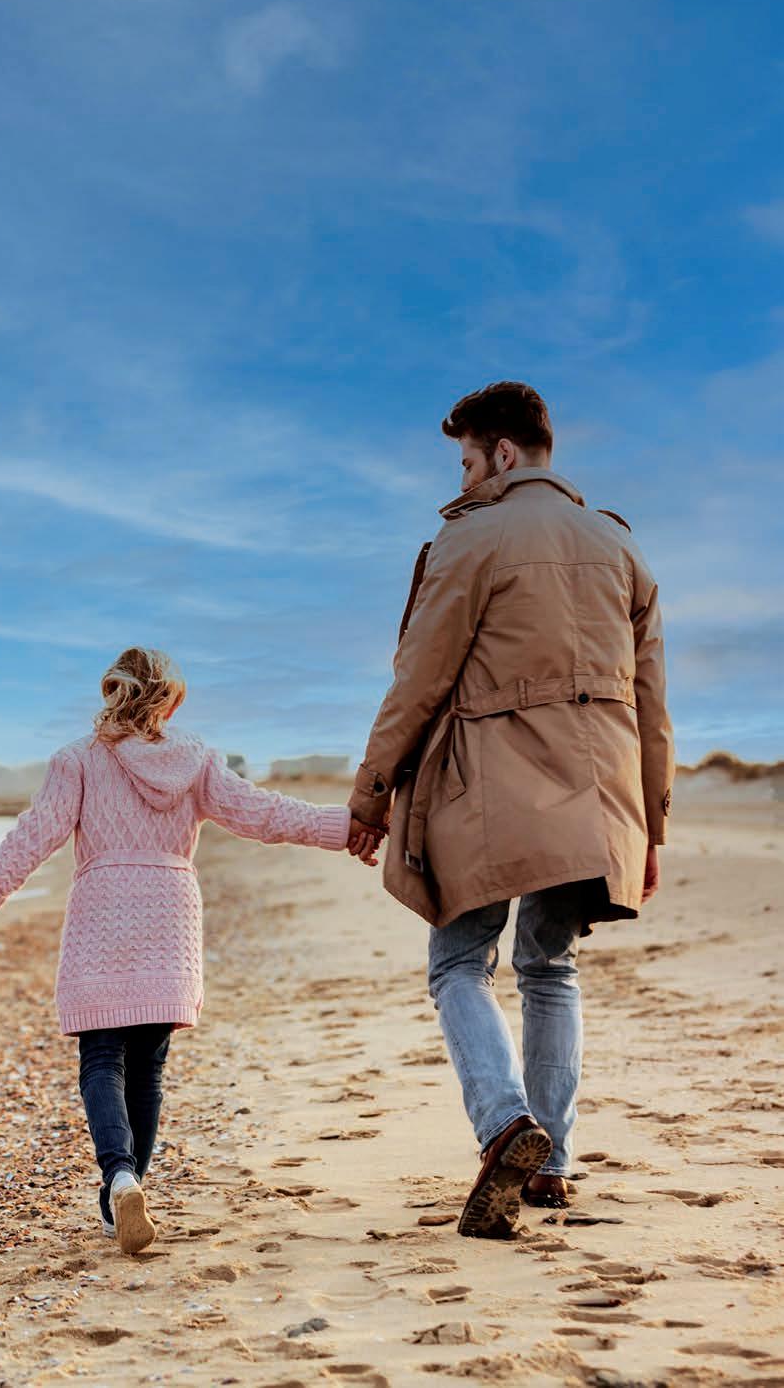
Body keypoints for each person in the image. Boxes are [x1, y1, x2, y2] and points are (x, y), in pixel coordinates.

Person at [348, 382, 673, 1239]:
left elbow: (419, 678)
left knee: (459, 962)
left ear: (500, 453)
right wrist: (651, 827)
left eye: (465, 463)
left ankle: (504, 1126)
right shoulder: (620, 547)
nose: (462, 480)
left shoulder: (473, 537)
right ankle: (550, 1161)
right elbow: (652, 705)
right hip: (600, 798)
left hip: (485, 794)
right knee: (550, 968)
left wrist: (371, 792)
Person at [0, 646, 366, 1255]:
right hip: (170, 914)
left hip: (104, 911)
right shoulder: (197, 761)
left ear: (111, 693)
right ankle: (125, 1191)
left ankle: (119, 1177)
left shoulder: (78, 760)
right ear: (172, 701)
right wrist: (345, 827)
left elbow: (33, 837)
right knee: (148, 1065)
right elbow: (264, 814)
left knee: (102, 1057)